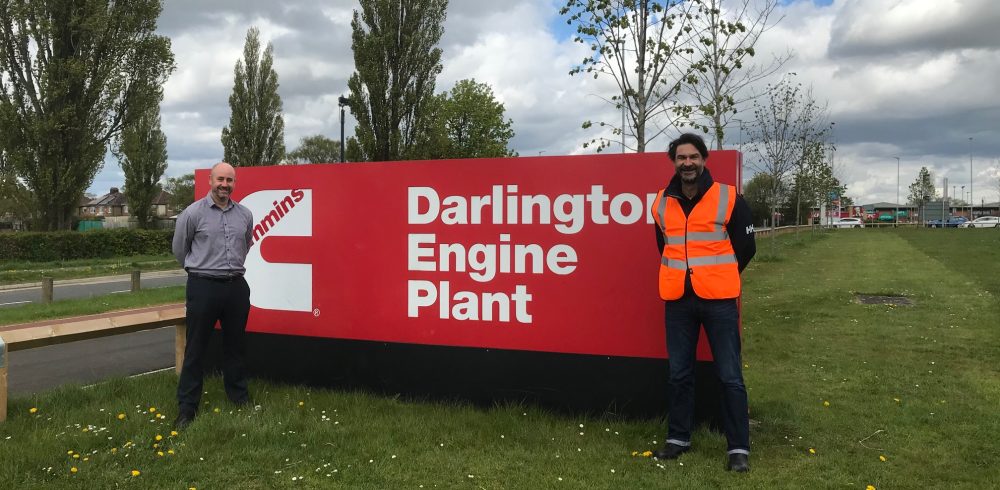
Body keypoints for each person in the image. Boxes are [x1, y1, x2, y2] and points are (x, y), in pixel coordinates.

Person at [649, 133, 756, 472]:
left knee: (730, 376)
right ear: (674, 162)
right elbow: (663, 246)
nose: (687, 163)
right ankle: (678, 438)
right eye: (681, 158)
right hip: (678, 301)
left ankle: (738, 448)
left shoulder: (728, 197)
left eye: (693, 156)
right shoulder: (661, 202)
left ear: (704, 159)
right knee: (679, 374)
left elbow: (746, 246)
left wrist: (719, 276)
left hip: (719, 301)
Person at [171, 162, 255, 429]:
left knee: (235, 346)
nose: (224, 185)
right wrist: (202, 269)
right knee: (195, 348)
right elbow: (179, 250)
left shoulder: (244, 214)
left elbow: (247, 244)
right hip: (203, 286)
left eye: (229, 180)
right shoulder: (192, 214)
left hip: (235, 286)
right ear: (210, 180)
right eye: (220, 179)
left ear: (234, 183)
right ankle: (187, 408)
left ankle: (239, 397)